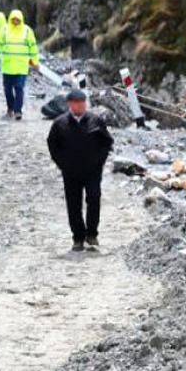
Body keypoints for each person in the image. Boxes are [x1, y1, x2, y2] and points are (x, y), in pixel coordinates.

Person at [47, 90, 114, 253]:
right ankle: (78, 237)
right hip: (70, 172)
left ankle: (92, 234)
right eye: (77, 103)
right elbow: (52, 145)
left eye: (83, 102)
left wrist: (100, 161)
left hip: (92, 171)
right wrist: (62, 164)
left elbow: (107, 142)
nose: (81, 106)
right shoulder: (59, 123)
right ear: (70, 104)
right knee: (73, 204)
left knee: (94, 198)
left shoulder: (96, 120)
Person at [0, 9, 39, 120]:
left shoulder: (27, 31)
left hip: (21, 67)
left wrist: (35, 62)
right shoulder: (5, 29)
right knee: (7, 89)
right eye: (14, 19)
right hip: (7, 67)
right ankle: (10, 108)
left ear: (21, 19)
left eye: (18, 19)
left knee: (19, 88)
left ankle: (18, 111)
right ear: (10, 19)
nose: (16, 21)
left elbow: (33, 48)